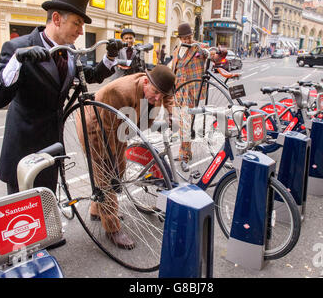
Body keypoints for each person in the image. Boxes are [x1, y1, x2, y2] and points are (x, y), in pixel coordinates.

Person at [0, 0, 123, 196]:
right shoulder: (18, 47)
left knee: (47, 208)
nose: (80, 32)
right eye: (77, 23)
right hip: (23, 154)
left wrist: (110, 57)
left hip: (52, 150)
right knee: (23, 216)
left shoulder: (70, 53)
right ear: (57, 19)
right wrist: (17, 61)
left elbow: (91, 75)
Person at [76, 65, 176, 249]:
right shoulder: (119, 93)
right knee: (107, 175)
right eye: (155, 93)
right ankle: (113, 229)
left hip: (120, 127)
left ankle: (96, 208)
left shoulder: (158, 86)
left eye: (161, 95)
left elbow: (168, 96)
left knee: (119, 170)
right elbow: (106, 134)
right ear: (146, 81)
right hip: (96, 127)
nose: (157, 99)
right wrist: (112, 162)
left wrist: (170, 114)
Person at [171, 23, 219, 172]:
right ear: (179, 38)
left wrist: (211, 53)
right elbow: (174, 69)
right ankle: (187, 152)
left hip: (191, 92)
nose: (187, 40)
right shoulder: (176, 50)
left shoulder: (198, 47)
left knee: (185, 125)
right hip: (178, 91)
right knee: (182, 125)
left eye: (189, 37)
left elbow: (212, 53)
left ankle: (184, 157)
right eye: (184, 37)